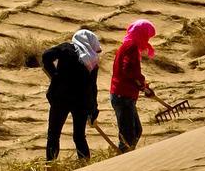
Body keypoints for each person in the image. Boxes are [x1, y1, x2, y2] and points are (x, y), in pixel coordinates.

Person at [42, 29, 101, 161]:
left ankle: (51, 167)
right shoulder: (93, 61)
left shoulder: (66, 48)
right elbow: (93, 88)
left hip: (61, 99)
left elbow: (46, 56)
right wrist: (93, 110)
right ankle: (85, 166)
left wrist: (55, 76)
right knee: (79, 137)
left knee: (53, 135)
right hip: (81, 103)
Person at [110, 19, 156, 151]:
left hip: (125, 95)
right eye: (147, 36)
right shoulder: (131, 47)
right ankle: (123, 160)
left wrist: (142, 85)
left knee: (136, 131)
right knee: (128, 136)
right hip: (122, 95)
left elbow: (130, 72)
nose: (147, 40)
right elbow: (129, 69)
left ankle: (128, 155)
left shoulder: (130, 45)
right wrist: (141, 83)